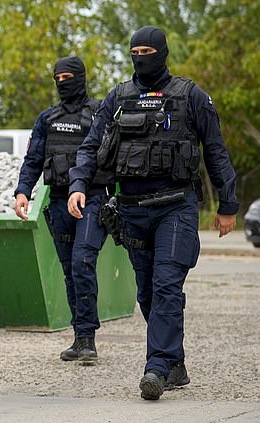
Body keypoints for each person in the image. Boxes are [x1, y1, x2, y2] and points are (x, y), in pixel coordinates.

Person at [68, 26, 238, 400]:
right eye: (135, 50)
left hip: (175, 206)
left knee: (165, 286)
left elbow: (216, 150)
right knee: (147, 291)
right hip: (131, 210)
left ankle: (156, 368)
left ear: (162, 52)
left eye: (148, 50)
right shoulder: (117, 97)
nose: (141, 56)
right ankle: (175, 362)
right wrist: (78, 185)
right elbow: (90, 146)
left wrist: (227, 204)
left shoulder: (190, 96)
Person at [14, 56, 114, 364]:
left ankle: (89, 339)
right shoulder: (47, 118)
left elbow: (113, 156)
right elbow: (33, 159)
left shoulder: (99, 113)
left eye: (68, 76)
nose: (62, 82)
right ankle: (80, 337)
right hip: (57, 201)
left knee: (83, 261)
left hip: (92, 199)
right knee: (71, 270)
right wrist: (22, 191)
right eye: (58, 77)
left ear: (81, 78)